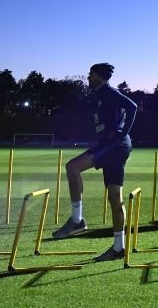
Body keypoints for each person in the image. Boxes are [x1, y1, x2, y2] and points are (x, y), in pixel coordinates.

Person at [52, 63, 138, 261]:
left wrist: (121, 133)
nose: (88, 77)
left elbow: (132, 106)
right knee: (115, 198)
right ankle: (119, 247)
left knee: (72, 167)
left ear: (99, 76)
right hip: (114, 146)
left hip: (115, 145)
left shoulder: (108, 91)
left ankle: (77, 220)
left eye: (91, 74)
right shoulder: (99, 96)